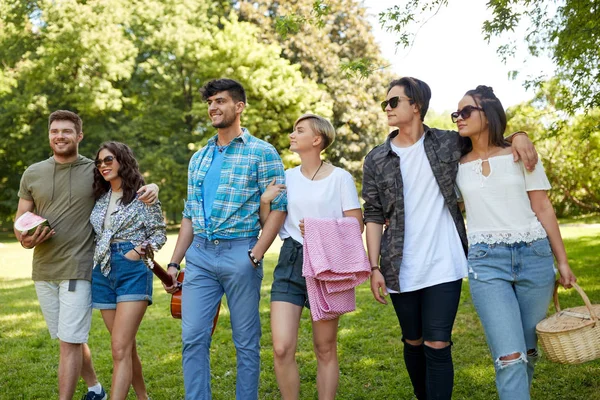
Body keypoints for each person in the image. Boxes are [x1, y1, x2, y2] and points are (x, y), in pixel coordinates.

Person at [362, 77, 538, 400]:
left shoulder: (447, 142)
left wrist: (520, 136)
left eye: (393, 102)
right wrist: (373, 266)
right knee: (413, 341)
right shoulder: (375, 159)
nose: (386, 108)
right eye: (385, 103)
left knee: (438, 343)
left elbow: (489, 140)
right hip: (400, 264)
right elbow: (372, 214)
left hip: (445, 260)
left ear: (415, 106)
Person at [15, 110, 159, 400]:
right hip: (49, 269)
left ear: (79, 135)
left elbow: (128, 182)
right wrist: (26, 240)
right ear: (49, 135)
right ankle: (98, 388)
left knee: (79, 343)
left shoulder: (92, 170)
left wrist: (153, 186)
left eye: (66, 131)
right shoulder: (33, 172)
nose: (59, 136)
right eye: (54, 131)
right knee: (74, 340)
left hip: (84, 267)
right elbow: (21, 223)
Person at [163, 78, 287, 400]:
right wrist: (175, 262)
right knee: (192, 338)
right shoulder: (199, 158)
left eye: (219, 101)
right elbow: (190, 214)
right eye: (209, 103)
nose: (213, 108)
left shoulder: (263, 152)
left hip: (241, 254)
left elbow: (278, 209)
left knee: (246, 341)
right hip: (200, 257)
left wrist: (256, 255)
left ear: (239, 106)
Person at [453, 85, 576, 399]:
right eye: (457, 113)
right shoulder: (454, 163)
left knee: (528, 350)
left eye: (466, 111)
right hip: (485, 263)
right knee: (509, 358)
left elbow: (543, 206)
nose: (458, 117)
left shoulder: (520, 154)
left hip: (534, 257)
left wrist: (561, 262)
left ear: (488, 113)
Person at [260, 114, 363, 400]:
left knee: (325, 347)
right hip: (291, 259)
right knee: (281, 347)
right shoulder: (286, 177)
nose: (292, 134)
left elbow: (356, 225)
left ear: (317, 140)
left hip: (328, 264)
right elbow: (272, 224)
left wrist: (320, 229)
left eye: (299, 130)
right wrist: (265, 202)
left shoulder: (341, 178)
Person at [90, 141, 167, 400]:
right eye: (99, 162)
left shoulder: (142, 195)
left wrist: (138, 250)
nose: (103, 165)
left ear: (123, 160)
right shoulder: (99, 197)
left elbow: (159, 234)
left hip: (132, 270)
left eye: (108, 159)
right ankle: (143, 397)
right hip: (102, 271)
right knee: (125, 347)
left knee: (119, 348)